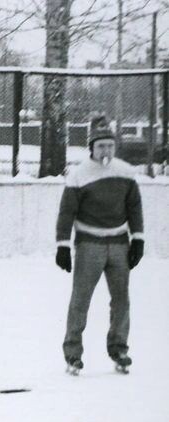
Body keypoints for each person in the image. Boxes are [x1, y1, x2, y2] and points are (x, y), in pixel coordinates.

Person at [55, 115, 144, 375]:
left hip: (119, 244)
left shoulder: (126, 172)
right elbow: (66, 212)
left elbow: (134, 208)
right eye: (101, 145)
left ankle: (119, 348)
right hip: (89, 245)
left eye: (110, 145)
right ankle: (73, 353)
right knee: (80, 300)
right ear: (91, 147)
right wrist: (62, 244)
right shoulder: (78, 175)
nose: (106, 150)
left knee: (121, 300)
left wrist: (137, 239)